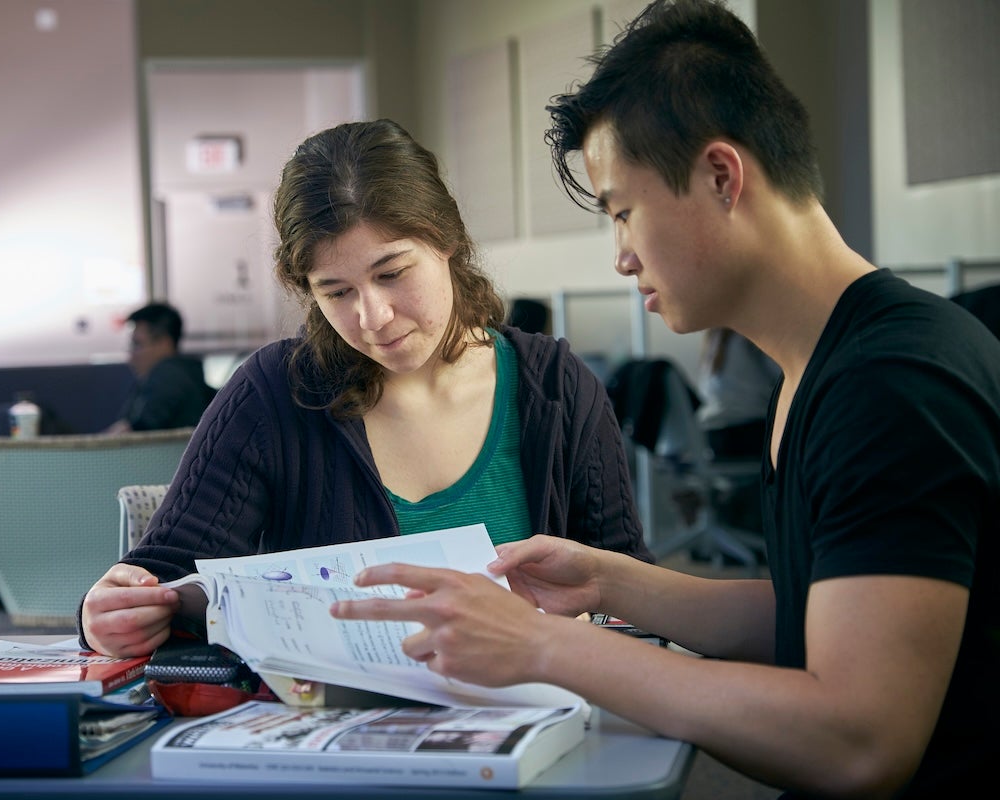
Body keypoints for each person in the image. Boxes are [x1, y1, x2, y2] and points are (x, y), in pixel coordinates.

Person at [329, 2, 1000, 797]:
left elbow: (858, 742)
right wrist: (612, 584)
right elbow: (825, 613)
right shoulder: (825, 365)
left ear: (722, 177)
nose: (620, 257)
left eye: (622, 211)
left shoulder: (891, 381)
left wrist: (544, 647)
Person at [78, 119, 650, 658]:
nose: (372, 316)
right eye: (337, 293)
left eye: (392, 273)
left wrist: (589, 624)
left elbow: (630, 587)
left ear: (446, 242)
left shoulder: (554, 387)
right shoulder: (271, 393)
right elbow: (162, 573)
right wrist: (107, 614)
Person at [104, 302, 216, 433]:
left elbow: (137, 432)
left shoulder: (168, 376)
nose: (131, 356)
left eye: (137, 344)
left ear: (164, 343)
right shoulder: (183, 374)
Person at [695, 327, 780, 460]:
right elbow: (784, 376)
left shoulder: (713, 339)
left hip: (713, 434)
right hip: (748, 431)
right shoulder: (750, 335)